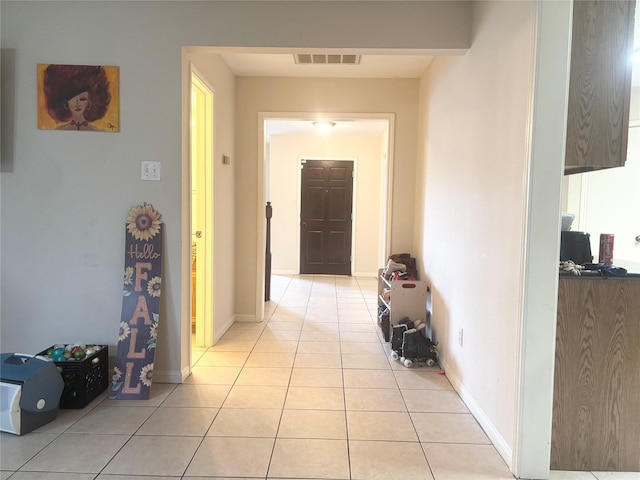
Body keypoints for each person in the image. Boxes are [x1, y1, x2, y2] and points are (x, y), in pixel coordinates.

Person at [43, 64, 111, 131]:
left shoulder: (98, 132)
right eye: (72, 99)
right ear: (65, 102)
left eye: (82, 99)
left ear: (89, 102)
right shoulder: (58, 131)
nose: (77, 103)